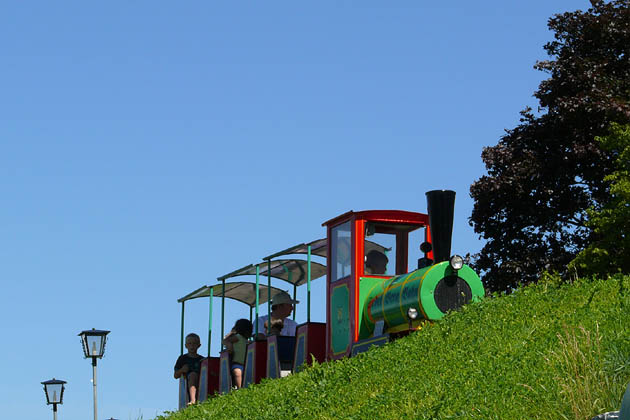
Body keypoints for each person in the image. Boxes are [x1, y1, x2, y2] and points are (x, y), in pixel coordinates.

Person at [173, 333, 204, 405]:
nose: (192, 346)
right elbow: (175, 375)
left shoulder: (202, 360)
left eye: (194, 344)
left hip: (200, 380)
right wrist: (182, 370)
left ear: (199, 345)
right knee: (193, 375)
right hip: (187, 380)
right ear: (186, 346)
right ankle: (193, 400)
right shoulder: (182, 358)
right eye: (189, 343)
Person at [222, 319, 253, 389]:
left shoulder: (247, 341)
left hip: (246, 364)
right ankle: (240, 388)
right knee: (237, 372)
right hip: (237, 363)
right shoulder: (238, 337)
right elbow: (225, 341)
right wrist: (229, 345)